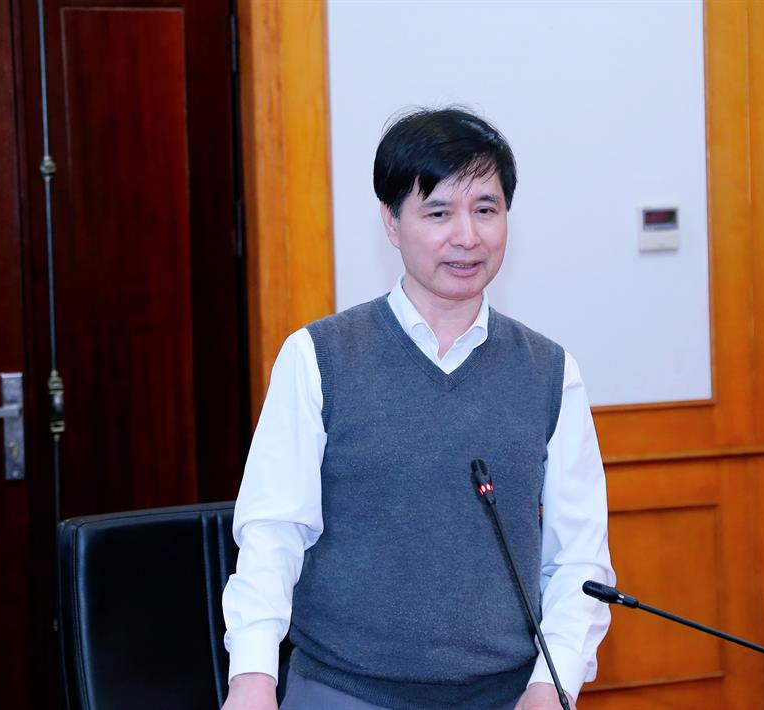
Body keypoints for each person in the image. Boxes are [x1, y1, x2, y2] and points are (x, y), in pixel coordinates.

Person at [221, 107, 614, 710]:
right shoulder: (317, 357)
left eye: (486, 210)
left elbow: (577, 559)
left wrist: (550, 685)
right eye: (438, 212)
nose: (467, 236)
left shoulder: (550, 371)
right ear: (391, 221)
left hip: (506, 694)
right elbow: (273, 533)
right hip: (344, 689)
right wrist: (251, 676)